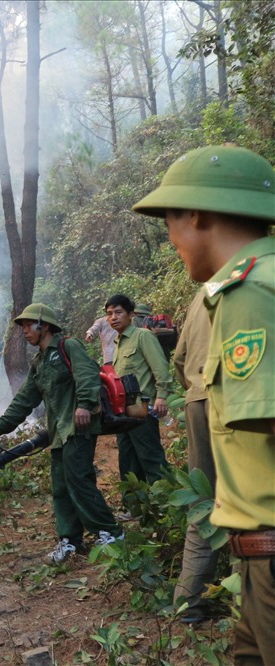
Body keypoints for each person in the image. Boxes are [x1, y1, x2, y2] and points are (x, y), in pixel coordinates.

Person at [133, 144, 274, 664]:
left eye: (169, 220)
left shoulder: (249, 292)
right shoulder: (246, 284)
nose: (170, 240)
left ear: (195, 214)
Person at [0, 303, 123, 564]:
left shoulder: (68, 347)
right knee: (60, 486)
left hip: (79, 427)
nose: (24, 331)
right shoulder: (40, 361)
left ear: (43, 325)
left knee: (79, 481)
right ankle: (70, 542)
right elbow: (24, 399)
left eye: (28, 325)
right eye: (22, 326)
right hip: (58, 433)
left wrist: (83, 405)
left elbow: (88, 375)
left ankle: (111, 534)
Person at [172, 289, 220, 624]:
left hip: (197, 401)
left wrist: (195, 390)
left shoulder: (204, 292)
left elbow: (179, 357)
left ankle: (188, 604)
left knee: (204, 500)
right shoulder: (264, 274)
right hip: (243, 400)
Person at [105, 294, 172, 497]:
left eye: (118, 312)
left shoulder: (143, 336)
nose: (113, 317)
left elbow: (160, 368)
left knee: (151, 458)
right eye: (109, 314)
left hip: (142, 410)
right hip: (123, 412)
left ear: (131, 314)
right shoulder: (118, 343)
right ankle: (137, 506)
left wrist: (161, 396)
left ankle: (167, 503)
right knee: (128, 460)